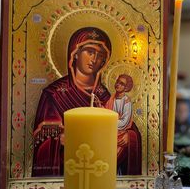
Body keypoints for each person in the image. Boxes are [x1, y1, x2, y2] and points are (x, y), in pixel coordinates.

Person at [32, 27, 141, 177]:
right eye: (90, 52)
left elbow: (127, 125)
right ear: (75, 53)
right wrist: (60, 139)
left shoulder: (106, 95)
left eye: (100, 55)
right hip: (67, 176)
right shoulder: (54, 94)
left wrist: (130, 137)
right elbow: (42, 140)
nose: (94, 59)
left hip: (101, 173)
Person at [105, 74, 142, 175]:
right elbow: (107, 113)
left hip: (120, 133)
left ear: (126, 88)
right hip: (110, 132)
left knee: (114, 157)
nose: (118, 84)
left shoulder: (126, 102)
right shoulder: (111, 99)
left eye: (122, 84)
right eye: (118, 82)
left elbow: (124, 122)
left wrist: (108, 121)